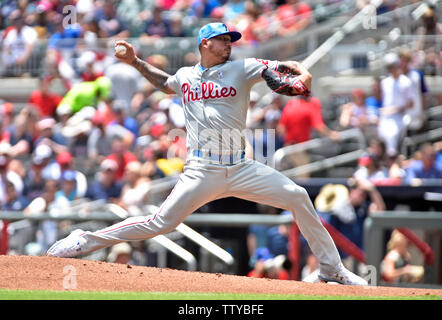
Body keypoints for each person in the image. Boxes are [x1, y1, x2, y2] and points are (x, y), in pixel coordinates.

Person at [47, 22, 367, 285]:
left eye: (230, 39)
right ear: (205, 43)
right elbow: (166, 83)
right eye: (222, 40)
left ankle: (331, 270)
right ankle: (84, 239)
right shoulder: (186, 75)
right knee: (160, 222)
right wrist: (134, 62)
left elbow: (284, 76)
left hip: (241, 167)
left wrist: (302, 78)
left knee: (297, 196)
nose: (229, 44)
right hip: (201, 171)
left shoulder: (243, 68)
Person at [377, 53, 416, 156]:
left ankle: (392, 159)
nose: (391, 69)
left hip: (400, 116)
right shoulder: (385, 82)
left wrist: (396, 109)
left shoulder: (406, 82)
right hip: (385, 116)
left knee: (392, 135)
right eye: (388, 67)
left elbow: (411, 104)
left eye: (392, 66)